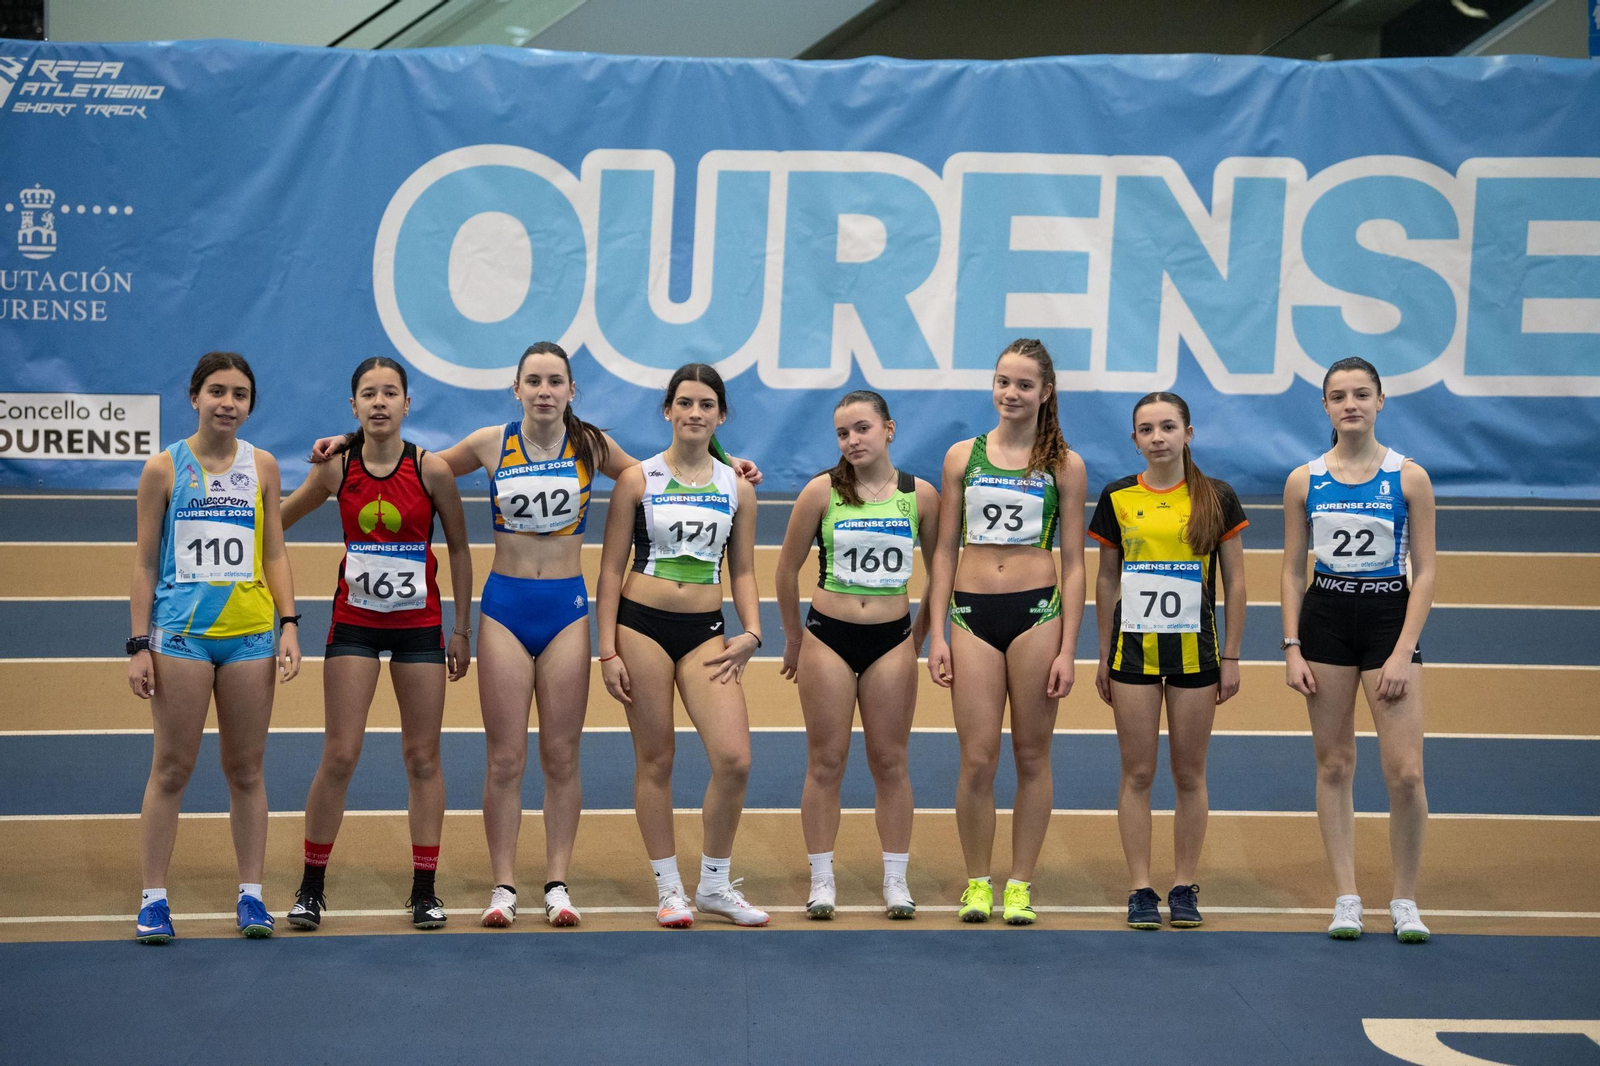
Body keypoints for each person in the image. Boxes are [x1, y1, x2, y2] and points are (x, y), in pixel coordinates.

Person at [310, 343, 760, 928]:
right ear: (516, 389)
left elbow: (662, 471)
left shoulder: (592, 445)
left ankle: (556, 883)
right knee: (504, 759)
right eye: (534, 381)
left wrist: (730, 463)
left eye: (555, 382)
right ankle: (503, 886)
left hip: (566, 610)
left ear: (572, 390)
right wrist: (349, 442)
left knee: (561, 756)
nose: (544, 391)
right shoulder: (488, 443)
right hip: (504, 608)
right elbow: (409, 464)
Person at [279, 357, 473, 931]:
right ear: (354, 405)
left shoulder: (432, 470)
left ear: (407, 404)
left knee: (423, 757)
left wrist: (462, 628)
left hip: (419, 627)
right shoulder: (336, 469)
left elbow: (460, 550)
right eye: (369, 393)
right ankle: (311, 887)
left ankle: (424, 891)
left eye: (391, 393)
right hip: (354, 625)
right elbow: (276, 521)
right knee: (340, 755)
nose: (380, 402)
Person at [127, 351, 301, 944]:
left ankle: (251, 895)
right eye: (217, 391)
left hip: (250, 637)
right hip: (181, 637)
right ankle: (153, 899)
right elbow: (144, 562)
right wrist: (138, 643)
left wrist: (289, 623)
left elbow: (274, 551)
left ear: (250, 405)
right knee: (172, 768)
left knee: (246, 770)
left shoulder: (263, 466)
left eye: (240, 394)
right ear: (195, 397)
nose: (228, 403)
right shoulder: (163, 468)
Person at [596, 363, 768, 927]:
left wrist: (752, 630)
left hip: (705, 633)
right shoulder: (637, 480)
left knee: (734, 760)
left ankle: (714, 884)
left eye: (706, 405)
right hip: (640, 627)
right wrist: (607, 650)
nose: (695, 413)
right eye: (685, 403)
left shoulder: (738, 486)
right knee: (657, 758)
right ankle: (670, 890)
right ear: (668, 410)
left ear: (721, 416)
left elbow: (743, 570)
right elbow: (609, 569)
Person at [923, 338, 1087, 925]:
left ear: (1046, 392)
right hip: (971, 615)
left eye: (1023, 384)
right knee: (977, 758)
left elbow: (1074, 562)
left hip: (1037, 614)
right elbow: (944, 551)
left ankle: (1019, 883)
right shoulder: (961, 457)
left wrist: (1069, 648)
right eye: (1003, 382)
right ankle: (977, 882)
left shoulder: (1064, 465)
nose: (1010, 393)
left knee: (1032, 754)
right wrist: (937, 633)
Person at [1281, 356, 1436, 943]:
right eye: (1339, 396)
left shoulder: (1409, 478)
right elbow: (1292, 570)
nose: (1351, 404)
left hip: (1388, 618)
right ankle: (1346, 897)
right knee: (1334, 763)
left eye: (1361, 394)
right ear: (1325, 406)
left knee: (1406, 773)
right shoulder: (1304, 480)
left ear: (1380, 401)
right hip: (1325, 621)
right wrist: (1292, 646)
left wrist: (1402, 651)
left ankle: (1404, 899)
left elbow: (1425, 572)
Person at [774, 391, 940, 920]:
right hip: (828, 637)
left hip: (892, 639)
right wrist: (794, 638)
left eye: (862, 429)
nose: (852, 440)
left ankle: (896, 879)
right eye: (843, 433)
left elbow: (943, 573)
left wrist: (922, 635)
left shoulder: (920, 495)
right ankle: (822, 879)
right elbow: (785, 570)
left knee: (890, 761)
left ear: (889, 429)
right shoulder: (821, 491)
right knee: (826, 760)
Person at [1089, 392, 1247, 930]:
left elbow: (1236, 583)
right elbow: (1106, 579)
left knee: (1188, 773)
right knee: (1137, 772)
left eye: (1168, 426)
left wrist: (1232, 656)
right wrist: (1103, 654)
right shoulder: (1117, 496)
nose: (1157, 437)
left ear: (1188, 433)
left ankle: (1183, 885)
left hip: (1196, 654)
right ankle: (1140, 887)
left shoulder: (1216, 497)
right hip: (1132, 653)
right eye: (1146, 429)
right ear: (1134, 439)